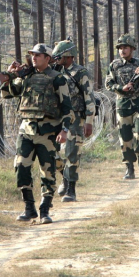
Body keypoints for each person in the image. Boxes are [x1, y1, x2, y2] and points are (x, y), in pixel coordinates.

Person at [0, 44, 73, 224]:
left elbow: (66, 108)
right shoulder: (26, 76)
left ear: (47, 58)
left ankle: (45, 210)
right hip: (26, 129)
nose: (34, 58)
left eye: (38, 55)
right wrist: (10, 77)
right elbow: (9, 94)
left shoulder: (57, 79)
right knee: (21, 166)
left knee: (47, 171)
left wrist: (64, 130)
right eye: (32, 55)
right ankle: (29, 208)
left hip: (48, 132)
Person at [51, 39, 95, 202]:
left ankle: (71, 190)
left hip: (76, 118)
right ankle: (64, 176)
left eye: (60, 56)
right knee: (53, 151)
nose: (57, 59)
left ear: (68, 56)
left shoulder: (80, 72)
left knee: (72, 152)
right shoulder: (55, 72)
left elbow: (89, 96)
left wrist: (89, 120)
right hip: (57, 117)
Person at [104, 34, 139, 180]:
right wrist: (121, 87)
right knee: (125, 138)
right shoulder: (114, 65)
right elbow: (108, 84)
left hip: (138, 105)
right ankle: (129, 167)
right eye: (120, 48)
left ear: (132, 49)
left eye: (125, 47)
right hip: (123, 105)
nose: (122, 50)